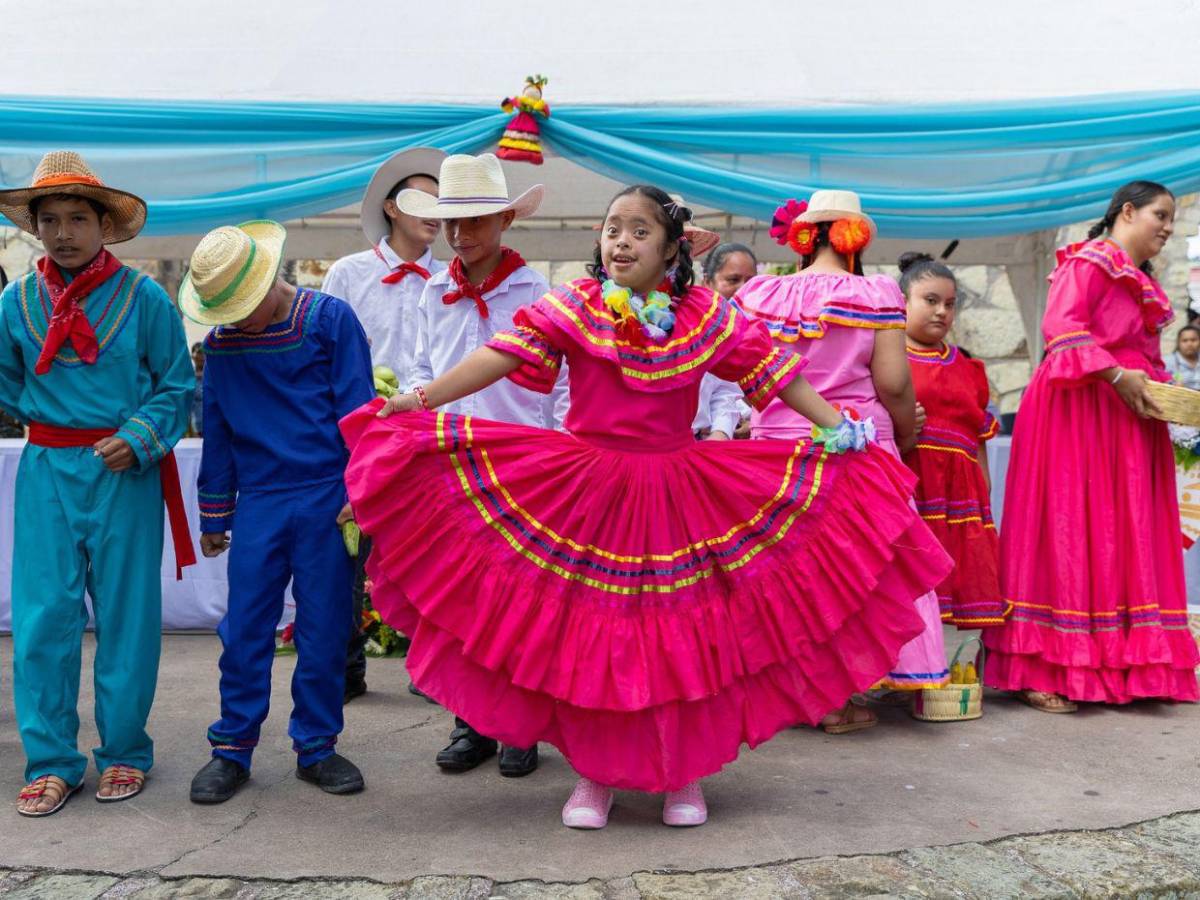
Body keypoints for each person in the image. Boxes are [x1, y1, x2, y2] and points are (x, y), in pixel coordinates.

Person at [339, 183, 950, 829]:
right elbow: (500, 355)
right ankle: (594, 779)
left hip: (680, 493)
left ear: (670, 249)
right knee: (594, 638)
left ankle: (684, 777)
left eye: (638, 230)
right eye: (612, 228)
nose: (621, 240)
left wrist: (835, 428)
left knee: (684, 638)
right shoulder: (575, 304)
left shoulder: (705, 313)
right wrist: (423, 399)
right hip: (588, 493)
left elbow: (772, 371)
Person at [0, 151, 194, 816]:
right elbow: (5, 381)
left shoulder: (146, 299)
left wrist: (138, 436)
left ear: (105, 225)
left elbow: (177, 386)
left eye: (77, 217)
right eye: (48, 219)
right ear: (34, 227)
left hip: (124, 475)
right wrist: (42, 418)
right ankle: (52, 760)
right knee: (43, 617)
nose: (62, 232)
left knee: (126, 618)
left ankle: (125, 752)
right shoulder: (15, 301)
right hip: (48, 470)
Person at [736, 191, 949, 731]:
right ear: (857, 237)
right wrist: (903, 436)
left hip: (776, 447)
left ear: (806, 237)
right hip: (855, 445)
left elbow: (746, 372)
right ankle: (839, 698)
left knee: (788, 571)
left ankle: (788, 693)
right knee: (858, 571)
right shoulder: (875, 293)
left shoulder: (763, 292)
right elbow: (896, 383)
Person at [984, 181, 1199, 712]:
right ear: (1127, 212)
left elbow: (1142, 358)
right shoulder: (1090, 264)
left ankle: (1123, 661)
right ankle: (1046, 667)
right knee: (1070, 526)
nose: (1168, 228)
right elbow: (1062, 331)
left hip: (1123, 416)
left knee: (1120, 532)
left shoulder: (1136, 280)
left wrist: (1147, 388)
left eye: (1171, 218)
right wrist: (1116, 373)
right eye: (1160, 215)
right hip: (1077, 410)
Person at [181, 220, 374, 803]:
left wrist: (360, 491)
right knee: (244, 630)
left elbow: (361, 413)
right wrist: (214, 514)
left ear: (268, 279)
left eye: (241, 305)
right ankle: (231, 748)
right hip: (260, 501)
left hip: (327, 497)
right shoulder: (219, 348)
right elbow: (215, 430)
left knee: (323, 628)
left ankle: (316, 746)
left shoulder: (330, 320)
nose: (234, 320)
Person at [391, 152, 563, 778]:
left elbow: (562, 381)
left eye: (477, 222)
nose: (463, 236)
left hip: (523, 463)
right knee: (463, 601)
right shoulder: (432, 290)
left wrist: (561, 448)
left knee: (523, 602)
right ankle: (472, 724)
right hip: (454, 463)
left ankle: (522, 727)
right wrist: (415, 411)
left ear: (505, 220)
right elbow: (419, 368)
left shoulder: (537, 291)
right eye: (453, 224)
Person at [321, 147, 447, 704]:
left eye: (445, 203)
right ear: (392, 208)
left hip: (428, 434)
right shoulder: (348, 273)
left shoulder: (452, 279)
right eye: (423, 199)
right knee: (348, 550)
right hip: (358, 434)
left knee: (431, 554)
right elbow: (318, 354)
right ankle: (345, 668)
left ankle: (432, 670)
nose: (437, 212)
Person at [898, 252, 1007, 628]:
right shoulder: (889, 358)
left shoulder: (968, 367)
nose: (941, 312)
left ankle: (948, 671)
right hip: (914, 485)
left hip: (962, 495)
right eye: (930, 301)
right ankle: (905, 674)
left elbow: (977, 436)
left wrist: (984, 487)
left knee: (961, 581)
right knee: (911, 580)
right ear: (903, 303)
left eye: (949, 304)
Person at [694, 243, 756, 440]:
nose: (744, 289)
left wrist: (752, 420)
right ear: (707, 282)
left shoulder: (766, 331)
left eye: (751, 281)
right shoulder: (695, 328)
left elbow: (724, 394)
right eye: (733, 280)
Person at [1165, 324, 1200, 390]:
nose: (1189, 344)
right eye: (1185, 340)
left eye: (1193, 340)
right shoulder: (1167, 362)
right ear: (1178, 343)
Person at [189, 342, 205, 436]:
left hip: (215, 426)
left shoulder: (215, 375)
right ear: (192, 356)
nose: (202, 356)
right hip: (196, 427)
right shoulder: (187, 377)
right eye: (199, 352)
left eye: (204, 352)